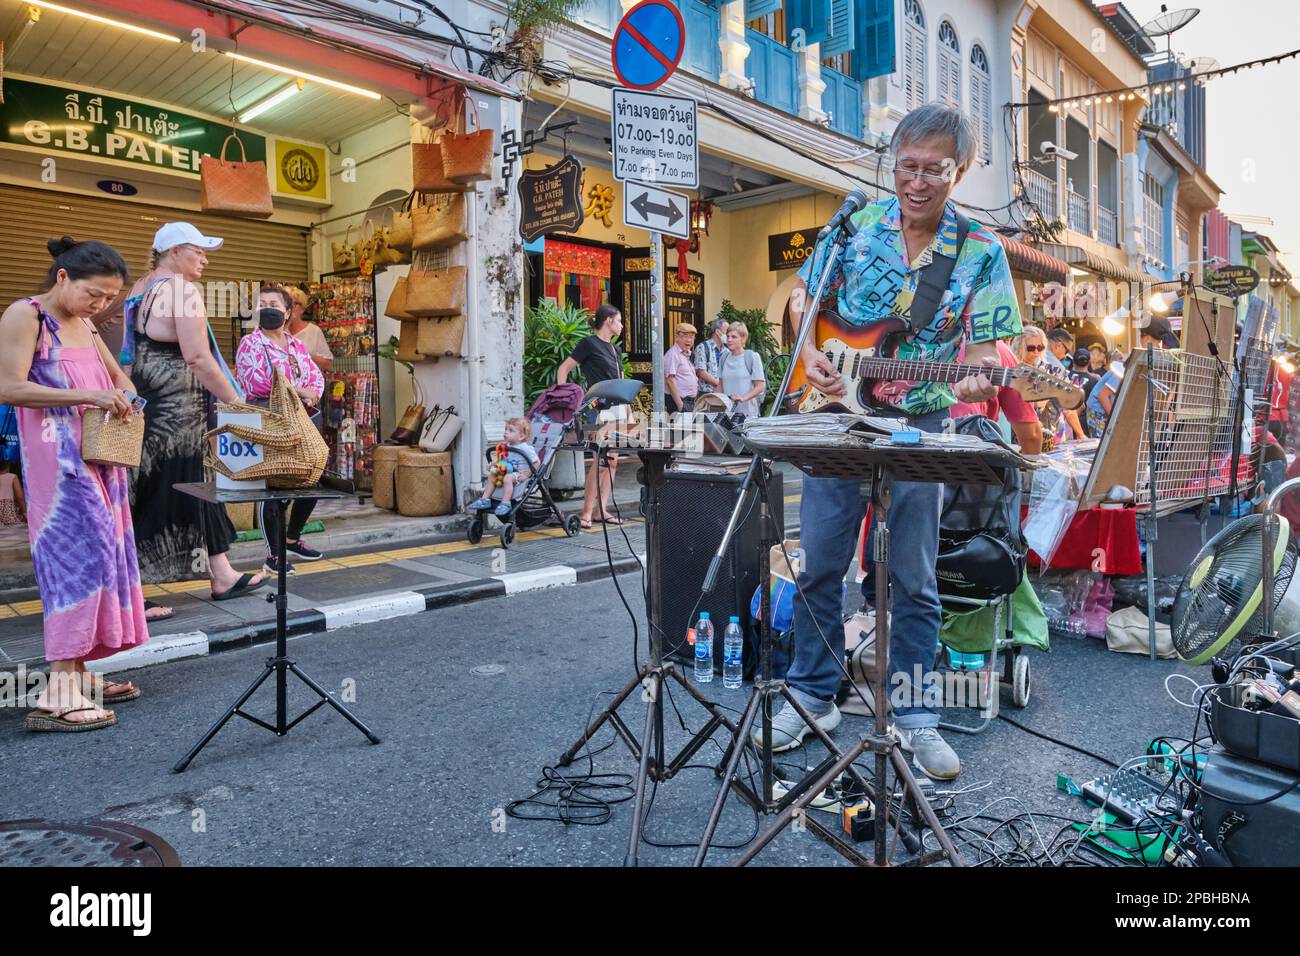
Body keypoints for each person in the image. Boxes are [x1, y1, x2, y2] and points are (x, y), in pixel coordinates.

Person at [778, 104, 1022, 779]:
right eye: (906, 167)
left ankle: (915, 715)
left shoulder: (981, 251)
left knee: (913, 579)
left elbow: (981, 357)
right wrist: (812, 350)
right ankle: (811, 694)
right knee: (819, 565)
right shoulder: (856, 227)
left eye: (933, 170)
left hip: (924, 429)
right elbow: (801, 296)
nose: (916, 182)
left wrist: (978, 378)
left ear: (960, 171)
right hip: (837, 419)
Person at [0, 238, 150, 731]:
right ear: (62, 277)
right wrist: (93, 396)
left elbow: (118, 379)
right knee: (77, 561)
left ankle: (80, 671)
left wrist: (127, 398)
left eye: (110, 298)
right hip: (58, 465)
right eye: (95, 294)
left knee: (106, 556)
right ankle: (57, 695)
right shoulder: (26, 316)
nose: (102, 306)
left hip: (102, 456)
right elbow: (8, 386)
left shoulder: (84, 323)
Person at [128, 222, 267, 604]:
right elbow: (198, 358)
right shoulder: (180, 290)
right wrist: (236, 403)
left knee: (180, 488)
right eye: (198, 251)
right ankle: (133, 591)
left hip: (150, 404)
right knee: (175, 488)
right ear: (174, 252)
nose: (205, 258)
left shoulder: (141, 288)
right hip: (179, 413)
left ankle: (221, 573)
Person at [235, 283, 327, 576]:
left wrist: (312, 391)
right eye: (261, 304)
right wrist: (300, 389)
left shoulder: (297, 344)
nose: (266, 309)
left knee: (312, 481)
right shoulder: (250, 343)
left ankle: (291, 538)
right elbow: (257, 384)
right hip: (270, 421)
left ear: (288, 312)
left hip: (303, 422)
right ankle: (274, 555)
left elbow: (317, 377)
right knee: (273, 488)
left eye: (273, 304)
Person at [557, 304, 627, 529]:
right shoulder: (588, 343)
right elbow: (564, 369)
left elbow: (622, 380)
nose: (621, 325)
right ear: (608, 321)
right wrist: (565, 397)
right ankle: (586, 512)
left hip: (619, 408)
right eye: (619, 321)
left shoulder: (615, 350)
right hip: (599, 408)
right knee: (600, 460)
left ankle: (601, 510)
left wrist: (629, 408)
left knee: (613, 461)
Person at [950, 339, 1042, 453]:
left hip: (932, 440)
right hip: (970, 448)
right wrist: (1031, 464)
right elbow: (1031, 434)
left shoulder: (930, 347)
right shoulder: (1001, 350)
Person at [468, 417, 540, 517]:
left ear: (521, 436)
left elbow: (536, 462)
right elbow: (503, 461)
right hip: (508, 470)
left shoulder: (525, 448)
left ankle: (506, 503)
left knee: (507, 478)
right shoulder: (506, 446)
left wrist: (526, 474)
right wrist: (495, 464)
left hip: (518, 473)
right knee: (492, 474)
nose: (506, 432)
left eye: (510, 430)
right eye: (506, 429)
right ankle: (485, 499)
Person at [719, 323, 766, 418]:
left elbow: (760, 386)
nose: (729, 340)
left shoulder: (752, 357)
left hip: (748, 415)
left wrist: (743, 398)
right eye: (728, 336)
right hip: (728, 414)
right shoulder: (723, 358)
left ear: (743, 339)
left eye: (734, 337)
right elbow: (720, 385)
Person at [286, 286, 333, 375]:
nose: (289, 308)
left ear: (302, 309)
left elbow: (328, 365)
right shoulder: (278, 331)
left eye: (293, 304)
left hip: (308, 386)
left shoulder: (314, 331)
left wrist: (305, 354)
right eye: (286, 304)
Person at [664, 323, 698, 412]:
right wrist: (680, 405)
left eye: (691, 337)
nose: (689, 340)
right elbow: (670, 380)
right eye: (685, 336)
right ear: (677, 337)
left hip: (689, 401)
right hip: (679, 401)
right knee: (681, 426)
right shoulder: (673, 354)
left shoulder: (687, 354)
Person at [693, 318, 728, 396]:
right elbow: (701, 371)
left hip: (723, 394)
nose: (728, 335)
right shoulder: (703, 347)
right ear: (718, 332)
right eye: (726, 331)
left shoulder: (727, 351)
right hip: (706, 394)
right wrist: (719, 385)